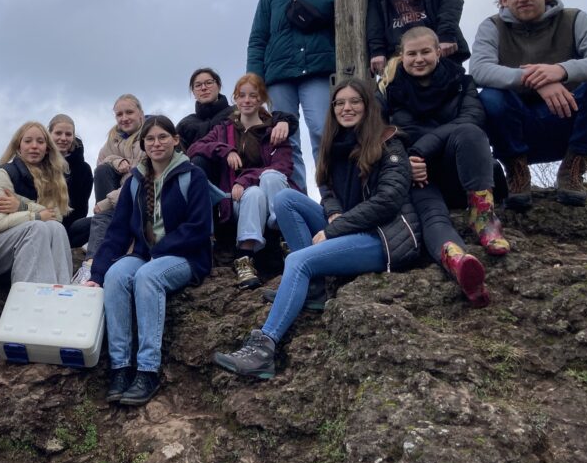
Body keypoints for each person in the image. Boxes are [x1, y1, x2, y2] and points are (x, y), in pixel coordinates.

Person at [213, 80, 420, 379]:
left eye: (354, 102)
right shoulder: (334, 144)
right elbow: (326, 187)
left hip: (383, 237)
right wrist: (334, 213)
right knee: (285, 199)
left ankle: (263, 350)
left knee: (298, 261)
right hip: (349, 227)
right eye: (339, 103)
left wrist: (337, 229)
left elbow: (387, 202)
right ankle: (314, 290)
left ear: (368, 106)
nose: (346, 108)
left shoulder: (389, 143)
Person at [86, 116, 212, 406]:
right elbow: (117, 232)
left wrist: (160, 249)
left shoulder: (192, 177)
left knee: (147, 276)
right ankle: (120, 367)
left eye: (162, 137)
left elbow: (199, 228)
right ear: (143, 144)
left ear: (175, 140)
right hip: (147, 256)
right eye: (150, 139)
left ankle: (147, 370)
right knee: (117, 275)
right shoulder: (135, 183)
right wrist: (98, 273)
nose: (156, 143)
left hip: (186, 257)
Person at [383, 26, 508, 306]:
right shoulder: (390, 92)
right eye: (411, 53)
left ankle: (483, 217)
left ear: (438, 52)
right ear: (401, 56)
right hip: (419, 175)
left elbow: (472, 119)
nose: (419, 59)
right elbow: (388, 135)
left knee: (471, 134)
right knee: (431, 217)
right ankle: (457, 260)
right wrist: (407, 163)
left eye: (425, 52)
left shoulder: (462, 82)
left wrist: (420, 148)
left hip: (459, 169)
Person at [470, 0, 587, 208]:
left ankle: (573, 170)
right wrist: (537, 79)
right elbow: (479, 69)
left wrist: (561, 71)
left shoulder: (575, 19)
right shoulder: (492, 26)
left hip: (569, 117)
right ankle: (517, 172)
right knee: (489, 96)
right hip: (519, 127)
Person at [188, 73, 295, 290]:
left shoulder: (273, 130)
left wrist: (245, 179)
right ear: (235, 98)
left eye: (253, 96)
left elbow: (283, 166)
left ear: (261, 99)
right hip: (241, 201)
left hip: (272, 199)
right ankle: (244, 259)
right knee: (253, 194)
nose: (247, 100)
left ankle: (285, 237)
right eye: (242, 95)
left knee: (270, 177)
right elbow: (195, 148)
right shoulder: (225, 130)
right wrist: (225, 149)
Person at [247, 0, 335, 192]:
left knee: (321, 130)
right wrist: (254, 80)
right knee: (284, 139)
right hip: (279, 76)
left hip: (317, 71)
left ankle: (331, 196)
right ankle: (298, 198)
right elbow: (258, 39)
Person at [0, 122, 72, 285]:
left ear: (47, 148)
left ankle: (63, 291)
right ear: (18, 146)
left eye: (40, 142)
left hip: (23, 247)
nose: (34, 146)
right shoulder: (4, 174)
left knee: (56, 228)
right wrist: (35, 216)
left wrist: (22, 205)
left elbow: (56, 217)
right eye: (28, 141)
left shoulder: (52, 179)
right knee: (37, 227)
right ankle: (31, 299)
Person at [71, 94, 145, 284]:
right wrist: (116, 160)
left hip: (138, 201)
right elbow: (101, 169)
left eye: (129, 112)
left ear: (141, 113)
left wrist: (107, 202)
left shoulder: (150, 138)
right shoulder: (111, 142)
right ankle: (94, 256)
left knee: (102, 216)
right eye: (119, 114)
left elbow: (145, 178)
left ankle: (91, 264)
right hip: (113, 209)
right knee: (79, 227)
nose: (124, 118)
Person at [48, 114, 94, 248]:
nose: (63, 138)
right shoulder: (38, 161)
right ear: (49, 134)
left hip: (68, 230)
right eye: (58, 133)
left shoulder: (83, 169)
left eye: (68, 134)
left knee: (98, 222)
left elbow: (81, 209)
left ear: (73, 137)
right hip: (40, 222)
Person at [176, 68, 234, 158]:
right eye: (198, 85)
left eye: (209, 83)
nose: (203, 88)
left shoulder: (236, 113)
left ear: (218, 86)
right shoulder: (184, 125)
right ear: (193, 92)